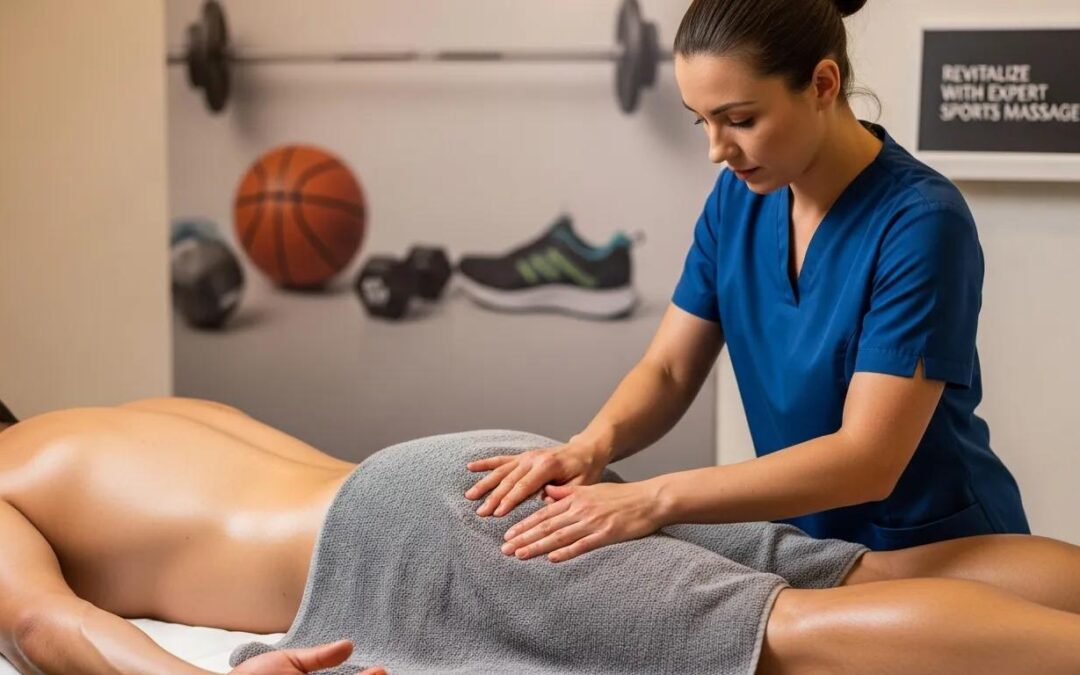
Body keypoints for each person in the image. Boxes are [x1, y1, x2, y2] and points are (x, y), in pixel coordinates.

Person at [466, 0, 1029, 559]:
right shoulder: (740, 197)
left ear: (823, 84)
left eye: (740, 120)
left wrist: (654, 498)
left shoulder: (921, 222)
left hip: (936, 549)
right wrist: (589, 446)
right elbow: (668, 369)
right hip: (812, 550)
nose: (717, 149)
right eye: (702, 120)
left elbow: (867, 460)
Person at [0, 397, 1079, 674]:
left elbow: (52, 627)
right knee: (865, 576)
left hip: (409, 544)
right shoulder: (119, 419)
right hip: (454, 468)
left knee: (786, 638)